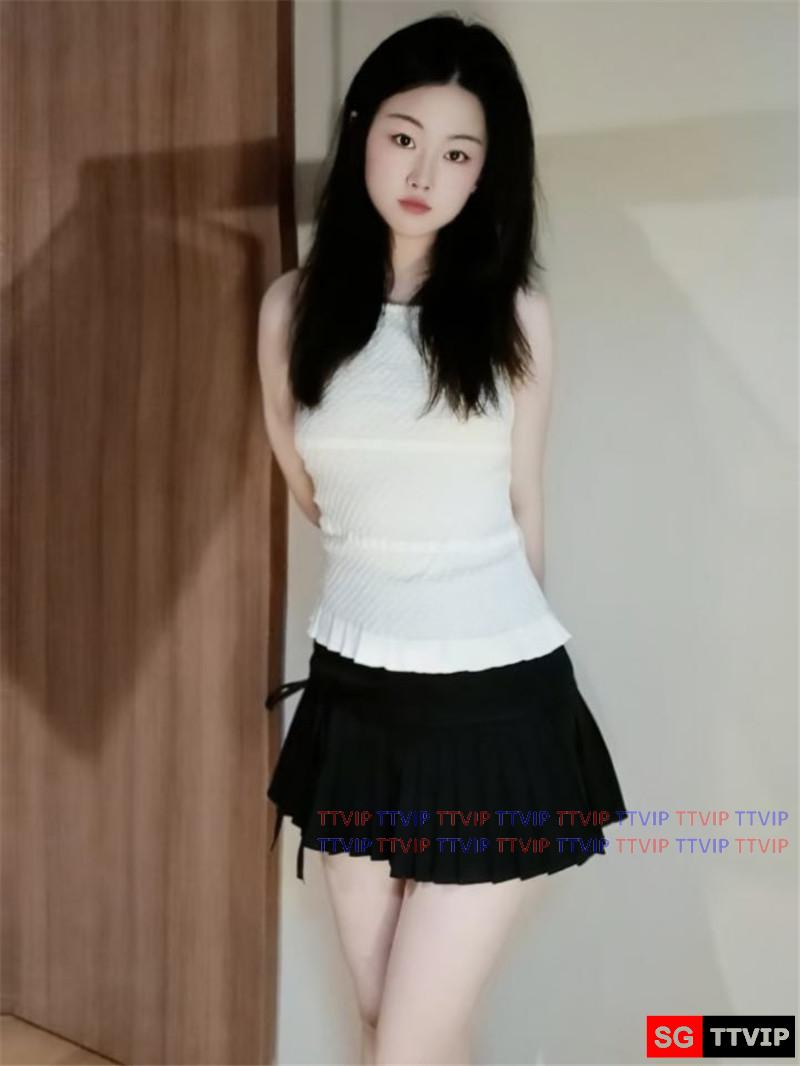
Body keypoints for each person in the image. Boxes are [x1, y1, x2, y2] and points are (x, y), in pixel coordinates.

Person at [257, 14, 628, 1065]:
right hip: (353, 703)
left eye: (459, 153)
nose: (426, 173)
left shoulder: (516, 317)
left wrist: (484, 641)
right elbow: (313, 489)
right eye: (404, 137)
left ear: (485, 174)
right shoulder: (290, 311)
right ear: (361, 132)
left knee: (407, 1043)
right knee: (395, 1027)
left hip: (492, 708)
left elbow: (524, 504)